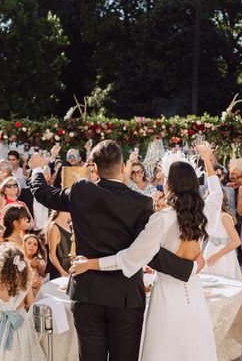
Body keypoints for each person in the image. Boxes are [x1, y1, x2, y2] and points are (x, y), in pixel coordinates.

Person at [30, 140, 198, 361]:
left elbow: (43, 193)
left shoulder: (82, 190)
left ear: (95, 169)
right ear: (122, 168)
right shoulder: (142, 203)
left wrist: (37, 170)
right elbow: (148, 252)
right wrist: (188, 267)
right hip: (126, 297)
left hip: (88, 292)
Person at [68, 143, 221, 361]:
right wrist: (207, 160)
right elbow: (216, 194)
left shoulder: (163, 219)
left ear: (168, 184)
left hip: (166, 301)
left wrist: (91, 263)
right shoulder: (205, 213)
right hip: (195, 299)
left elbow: (131, 258)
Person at [0, 245, 45, 361]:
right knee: (22, 351)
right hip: (20, 324)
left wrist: (2, 307)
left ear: (0, 267)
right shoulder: (24, 285)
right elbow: (31, 305)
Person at [203, 192, 242, 280]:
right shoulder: (208, 217)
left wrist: (216, 255)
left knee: (223, 279)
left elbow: (237, 241)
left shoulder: (224, 217)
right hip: (210, 249)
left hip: (223, 254)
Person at [43, 210, 73, 279]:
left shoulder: (70, 225)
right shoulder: (54, 227)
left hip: (71, 270)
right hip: (60, 274)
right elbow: (52, 254)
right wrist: (62, 271)